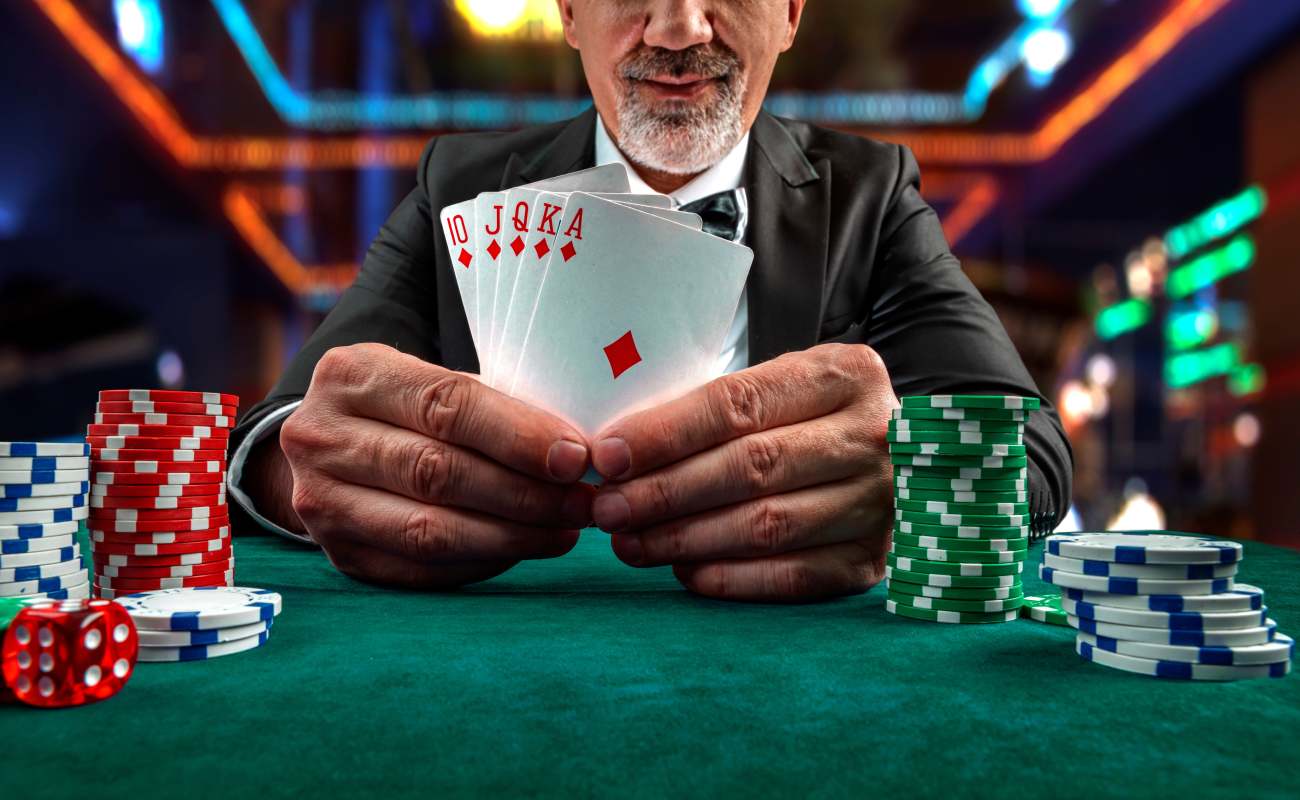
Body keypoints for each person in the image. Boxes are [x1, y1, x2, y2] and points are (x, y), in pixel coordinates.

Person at [228, 0, 1073, 602]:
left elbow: (1032, 453)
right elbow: (288, 432)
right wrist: (306, 471)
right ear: (568, 12)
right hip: (507, 664)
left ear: (790, 13)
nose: (678, 30)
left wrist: (907, 477)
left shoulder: (871, 195)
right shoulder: (458, 185)